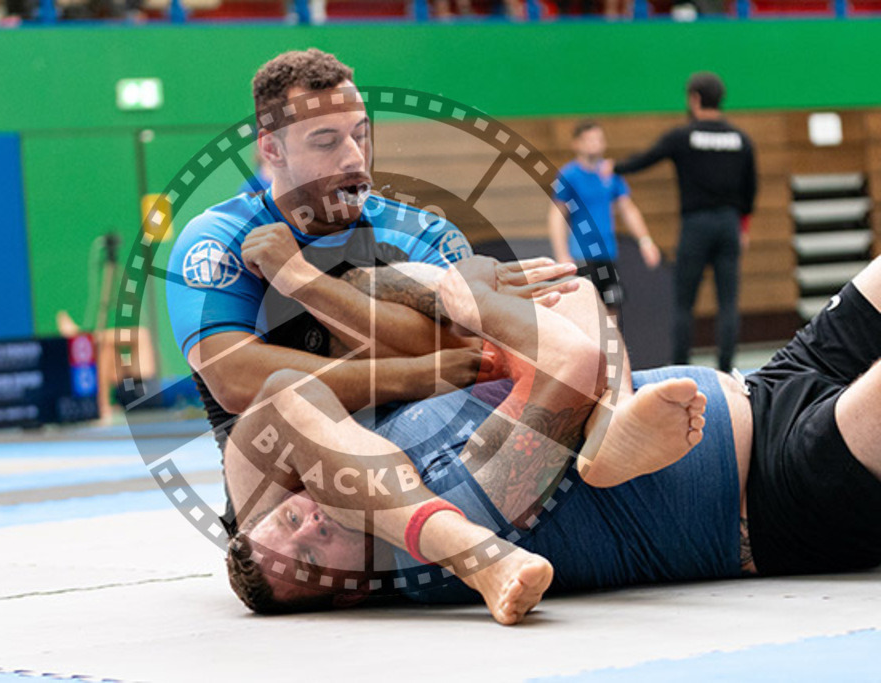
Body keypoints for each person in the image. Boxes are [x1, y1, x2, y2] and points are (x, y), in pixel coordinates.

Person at [224, 252, 881, 615]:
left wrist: (429, 341)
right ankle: (608, 425)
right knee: (564, 326)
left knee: (567, 302)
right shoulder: (453, 513)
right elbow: (569, 361)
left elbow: (268, 417)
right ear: (350, 588)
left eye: (287, 522)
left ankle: (611, 420)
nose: (308, 525)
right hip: (783, 489)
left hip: (771, 382)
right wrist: (474, 304)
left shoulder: (378, 448)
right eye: (311, 557)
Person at [166, 49, 486, 535]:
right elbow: (234, 377)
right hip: (293, 510)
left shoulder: (419, 232)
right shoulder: (220, 238)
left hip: (427, 463)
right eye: (326, 141)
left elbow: (469, 355)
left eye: (361, 134)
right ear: (272, 150)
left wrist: (303, 279)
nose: (354, 156)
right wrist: (413, 374)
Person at [607, 72, 757, 371]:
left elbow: (646, 159)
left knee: (684, 302)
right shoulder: (741, 139)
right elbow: (750, 188)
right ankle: (726, 370)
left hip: (696, 225)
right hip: (729, 225)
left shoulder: (683, 136)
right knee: (728, 302)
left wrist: (613, 167)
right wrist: (743, 227)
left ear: (695, 99)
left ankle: (681, 369)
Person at [549, 120, 660, 313]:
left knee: (612, 310)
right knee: (585, 311)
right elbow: (557, 215)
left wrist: (645, 241)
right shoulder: (570, 175)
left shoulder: (610, 174)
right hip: (581, 255)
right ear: (577, 144)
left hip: (608, 253)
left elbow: (628, 209)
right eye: (588, 140)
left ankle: (611, 344)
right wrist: (562, 254)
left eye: (598, 139)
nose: (594, 144)